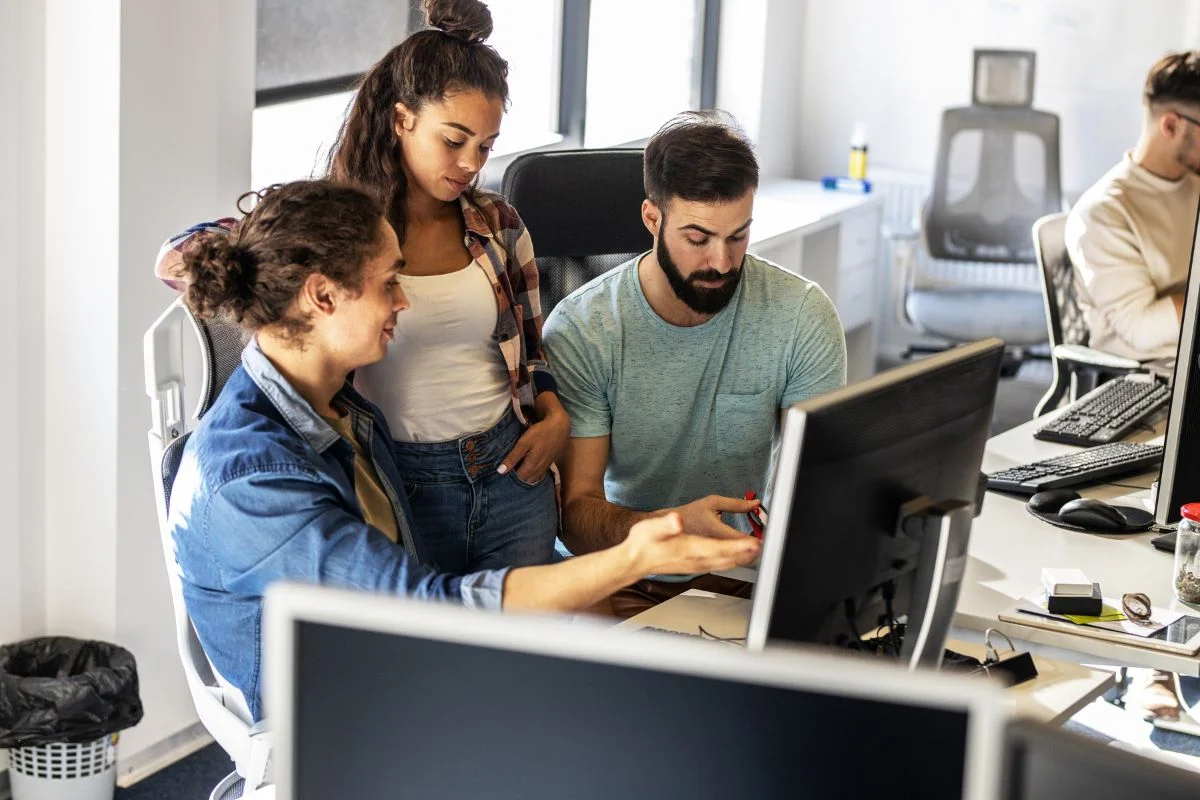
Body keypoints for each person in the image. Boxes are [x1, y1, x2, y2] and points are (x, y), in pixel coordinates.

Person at [168, 180, 760, 721]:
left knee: (652, 688)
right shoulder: (254, 480)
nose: (403, 302)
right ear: (322, 295)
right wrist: (633, 557)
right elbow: (426, 608)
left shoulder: (342, 405)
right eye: (389, 282)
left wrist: (662, 530)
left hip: (402, 674)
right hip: (342, 724)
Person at [160, 0, 564, 575]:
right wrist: (260, 236)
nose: (471, 162)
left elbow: (532, 346)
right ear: (402, 120)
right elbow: (179, 260)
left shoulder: (498, 224)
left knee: (526, 655)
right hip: (402, 479)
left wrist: (554, 417)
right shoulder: (345, 234)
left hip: (510, 473)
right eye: (454, 140)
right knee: (426, 648)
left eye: (486, 145)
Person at [541, 111, 846, 618]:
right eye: (698, 239)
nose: (722, 263)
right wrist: (671, 529)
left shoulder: (801, 316)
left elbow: (817, 487)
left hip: (740, 573)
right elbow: (576, 515)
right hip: (621, 575)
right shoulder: (584, 329)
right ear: (652, 219)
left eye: (738, 237)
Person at [1067, 51, 1200, 723]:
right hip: (1145, 393)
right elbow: (1149, 329)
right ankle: (1154, 663)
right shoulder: (1106, 212)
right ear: (1174, 125)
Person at [1066, 50, 1200, 364]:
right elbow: (1141, 329)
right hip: (1156, 380)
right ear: (1170, 126)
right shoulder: (1102, 214)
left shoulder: (1193, 182)